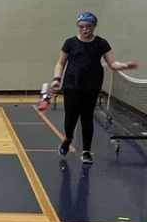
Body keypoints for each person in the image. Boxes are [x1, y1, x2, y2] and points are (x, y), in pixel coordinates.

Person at [52, 12, 138, 165]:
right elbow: (60, 63)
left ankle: (86, 151)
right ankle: (68, 138)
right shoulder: (70, 43)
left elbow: (113, 63)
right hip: (72, 85)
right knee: (70, 117)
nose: (84, 30)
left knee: (87, 119)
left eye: (88, 27)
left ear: (94, 27)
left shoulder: (101, 44)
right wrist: (56, 79)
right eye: (81, 27)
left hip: (91, 86)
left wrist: (123, 65)